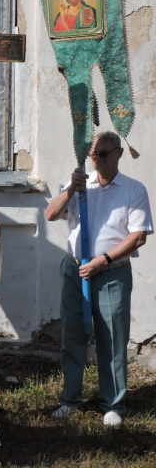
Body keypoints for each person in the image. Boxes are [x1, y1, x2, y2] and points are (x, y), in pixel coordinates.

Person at [45, 132, 152, 426]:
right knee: (73, 336)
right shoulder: (81, 184)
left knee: (113, 339)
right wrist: (70, 190)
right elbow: (50, 214)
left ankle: (113, 404)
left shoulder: (133, 189)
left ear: (118, 154)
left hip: (111, 273)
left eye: (104, 153)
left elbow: (138, 236)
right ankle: (70, 399)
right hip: (74, 270)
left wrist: (103, 260)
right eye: (94, 154)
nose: (98, 159)